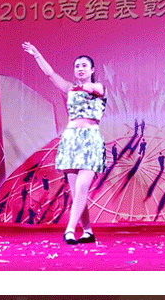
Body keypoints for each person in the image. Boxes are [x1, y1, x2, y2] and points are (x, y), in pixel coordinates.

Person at [22, 43, 106, 244]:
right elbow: (50, 74)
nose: (80, 69)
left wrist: (76, 87)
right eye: (77, 66)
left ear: (92, 70)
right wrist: (37, 55)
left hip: (90, 140)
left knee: (82, 187)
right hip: (71, 140)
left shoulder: (98, 87)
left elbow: (93, 89)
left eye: (84, 66)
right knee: (76, 192)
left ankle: (69, 230)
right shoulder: (70, 88)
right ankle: (87, 231)